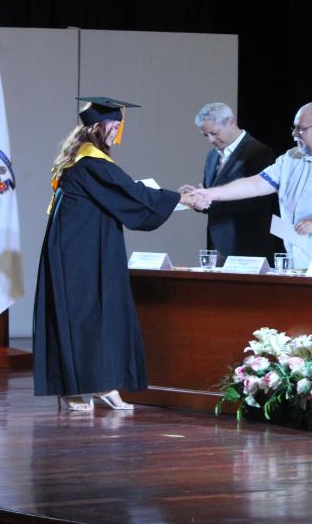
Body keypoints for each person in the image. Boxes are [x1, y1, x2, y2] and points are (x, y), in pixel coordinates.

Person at [33, 97, 190, 412]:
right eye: (113, 125)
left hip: (89, 246)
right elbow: (131, 194)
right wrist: (182, 199)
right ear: (96, 127)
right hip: (79, 253)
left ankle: (98, 384)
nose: (117, 131)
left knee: (99, 313)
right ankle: (77, 387)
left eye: (119, 125)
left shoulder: (86, 160)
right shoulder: (90, 163)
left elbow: (123, 194)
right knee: (82, 315)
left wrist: (174, 200)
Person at [185, 101, 312, 270]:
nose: (294, 134)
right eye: (294, 128)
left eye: (300, 129)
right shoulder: (292, 157)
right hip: (296, 263)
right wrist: (210, 194)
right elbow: (256, 184)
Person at [194, 102, 276, 259]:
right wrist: (197, 196)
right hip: (216, 244)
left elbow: (258, 201)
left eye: (214, 133)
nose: (211, 140)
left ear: (230, 122)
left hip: (248, 245)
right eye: (206, 135)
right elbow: (209, 192)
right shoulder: (212, 155)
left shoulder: (259, 152)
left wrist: (208, 200)